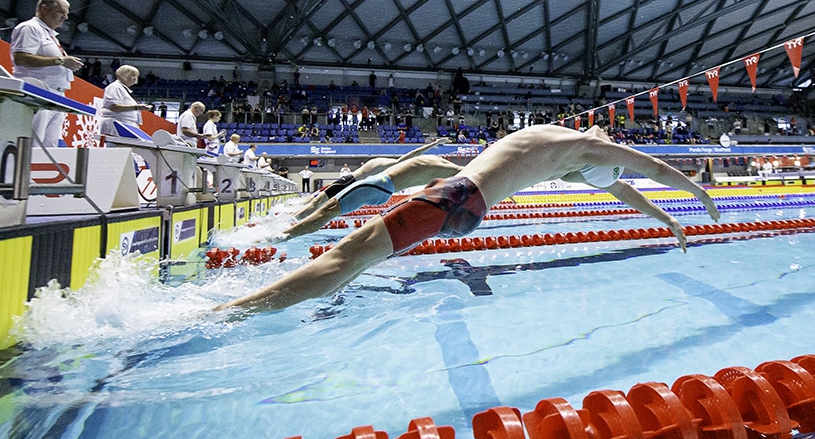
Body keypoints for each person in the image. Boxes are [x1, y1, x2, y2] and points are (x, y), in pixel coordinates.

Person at [218, 124, 720, 312]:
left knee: (343, 259)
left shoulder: (580, 143)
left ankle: (233, 310)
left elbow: (645, 168)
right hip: (465, 209)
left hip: (456, 197)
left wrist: (694, 191)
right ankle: (261, 303)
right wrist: (671, 219)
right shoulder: (574, 160)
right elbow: (628, 189)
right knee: (349, 262)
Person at [283, 154, 462, 238]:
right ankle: (291, 230)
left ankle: (286, 234)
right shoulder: (444, 167)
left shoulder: (439, 164)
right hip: (384, 189)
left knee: (325, 211)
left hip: (378, 184)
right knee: (326, 211)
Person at [292, 138, 452, 220]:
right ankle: (294, 218)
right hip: (350, 184)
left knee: (316, 202)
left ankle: (293, 215)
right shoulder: (389, 163)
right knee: (318, 205)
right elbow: (413, 154)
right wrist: (433, 145)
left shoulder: (378, 161)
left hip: (347, 181)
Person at [10, 0, 83, 146]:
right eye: (62, 12)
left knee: (49, 149)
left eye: (67, 13)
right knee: (32, 146)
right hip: (38, 93)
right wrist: (61, 61)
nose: (66, 17)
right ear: (44, 9)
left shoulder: (50, 34)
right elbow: (21, 58)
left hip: (55, 96)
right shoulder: (30, 28)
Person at [99, 64, 151, 137]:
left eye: (136, 76)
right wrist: (137, 107)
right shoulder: (115, 87)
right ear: (124, 75)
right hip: (117, 124)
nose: (135, 79)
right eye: (133, 75)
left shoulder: (123, 89)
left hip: (125, 124)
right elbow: (114, 107)